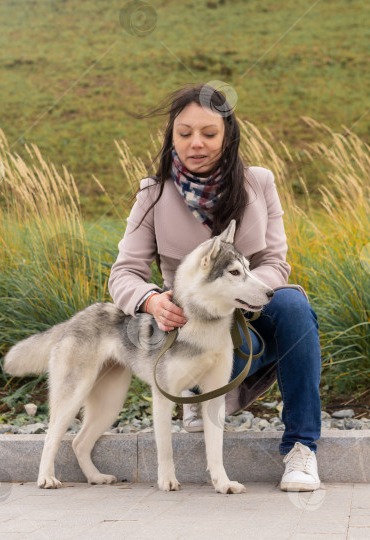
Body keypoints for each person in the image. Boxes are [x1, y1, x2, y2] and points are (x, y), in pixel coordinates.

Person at [107, 83, 322, 492]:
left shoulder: (259, 183)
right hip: (185, 329)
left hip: (247, 314)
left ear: (228, 135)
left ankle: (301, 449)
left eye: (209, 133)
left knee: (293, 305)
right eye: (184, 132)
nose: (196, 144)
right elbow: (124, 274)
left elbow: (276, 264)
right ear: (172, 135)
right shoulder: (152, 194)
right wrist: (151, 300)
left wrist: (234, 298)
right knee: (217, 338)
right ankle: (194, 393)